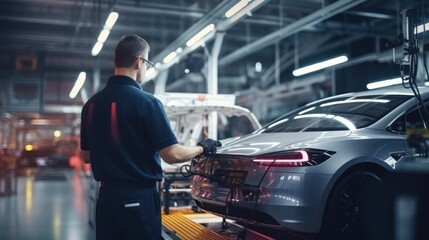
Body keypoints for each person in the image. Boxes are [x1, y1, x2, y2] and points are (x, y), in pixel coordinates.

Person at [80, 34, 221, 240]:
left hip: (106, 200)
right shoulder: (147, 102)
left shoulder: (91, 105)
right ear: (138, 61)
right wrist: (202, 147)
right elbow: (172, 154)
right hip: (138, 197)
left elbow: (86, 156)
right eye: (147, 62)